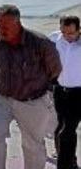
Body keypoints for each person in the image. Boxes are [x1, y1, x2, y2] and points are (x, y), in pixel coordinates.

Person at [0, 4, 62, 169]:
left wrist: (41, 91)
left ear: (18, 23)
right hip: (1, 98)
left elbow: (55, 70)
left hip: (32, 101)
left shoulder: (41, 44)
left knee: (32, 145)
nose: (1, 31)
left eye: (5, 26)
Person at [50, 15, 80, 169]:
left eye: (71, 33)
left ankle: (63, 165)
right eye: (64, 32)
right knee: (60, 126)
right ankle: (71, 161)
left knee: (68, 129)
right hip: (60, 91)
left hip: (79, 94)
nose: (67, 36)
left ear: (79, 30)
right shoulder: (54, 39)